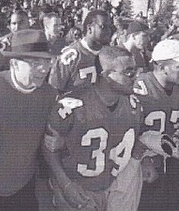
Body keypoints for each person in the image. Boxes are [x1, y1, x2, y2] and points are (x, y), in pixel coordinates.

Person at [0, 29, 57, 211]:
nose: (44, 69)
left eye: (47, 61)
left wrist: (58, 141)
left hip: (23, 190)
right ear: (14, 63)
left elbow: (48, 140)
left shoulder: (49, 95)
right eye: (35, 62)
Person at [44, 46, 142, 210]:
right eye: (128, 72)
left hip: (114, 187)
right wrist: (66, 185)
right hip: (79, 189)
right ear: (105, 75)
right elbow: (48, 148)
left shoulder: (133, 105)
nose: (136, 78)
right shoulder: (71, 105)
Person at [134, 37, 179, 211]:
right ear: (162, 67)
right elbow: (125, 131)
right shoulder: (139, 89)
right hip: (144, 162)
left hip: (171, 161)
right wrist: (143, 158)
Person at [49, 9, 112, 94]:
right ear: (90, 28)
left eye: (110, 27)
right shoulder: (71, 56)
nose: (108, 31)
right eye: (103, 27)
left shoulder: (111, 55)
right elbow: (54, 89)